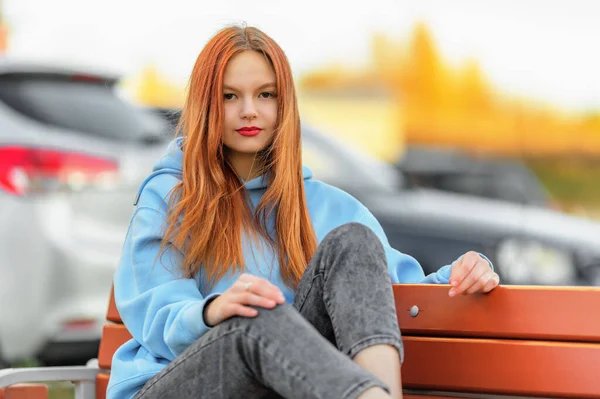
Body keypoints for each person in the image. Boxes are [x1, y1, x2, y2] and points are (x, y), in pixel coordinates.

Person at [107, 25, 500, 399]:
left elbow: (384, 301)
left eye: (265, 95)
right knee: (254, 310)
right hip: (171, 383)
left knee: (354, 241)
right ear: (206, 104)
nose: (249, 111)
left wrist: (463, 273)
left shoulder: (329, 206)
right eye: (230, 96)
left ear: (285, 104)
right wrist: (212, 311)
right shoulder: (170, 196)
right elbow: (155, 309)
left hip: (278, 386)